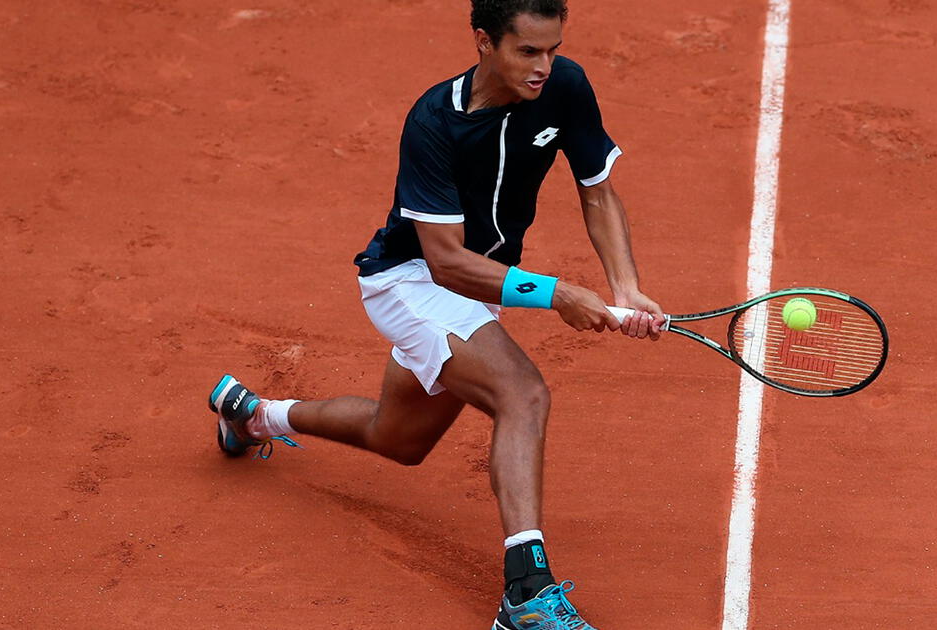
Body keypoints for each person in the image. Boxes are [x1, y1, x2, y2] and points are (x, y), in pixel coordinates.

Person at [208, 1, 664, 627]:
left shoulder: (565, 87)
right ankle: (526, 595)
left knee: (398, 439)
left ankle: (255, 415)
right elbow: (446, 261)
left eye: (553, 49)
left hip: (475, 285)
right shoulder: (433, 121)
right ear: (484, 41)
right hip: (409, 279)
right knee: (522, 394)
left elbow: (597, 190)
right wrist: (558, 294)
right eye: (528, 51)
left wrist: (626, 286)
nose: (544, 66)